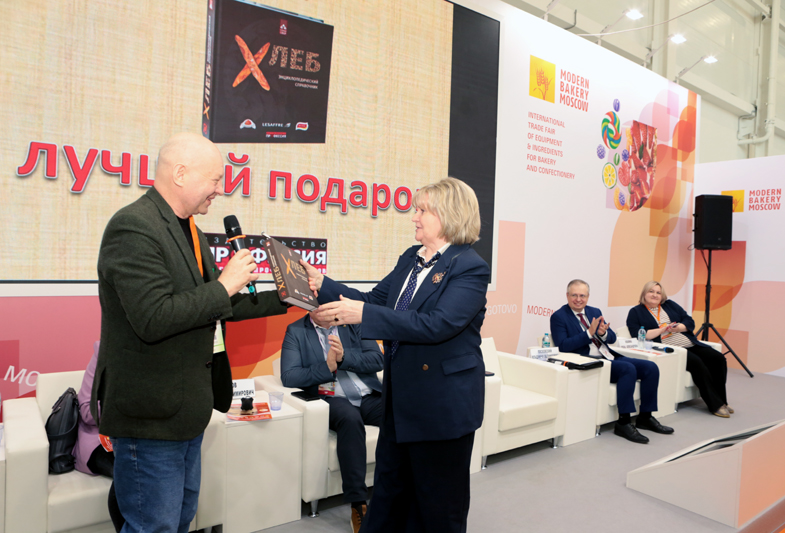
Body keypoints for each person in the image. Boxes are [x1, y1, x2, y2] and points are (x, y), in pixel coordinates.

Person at [91, 132, 288, 533]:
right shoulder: (133, 227)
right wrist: (224, 285)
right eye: (215, 179)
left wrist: (290, 297)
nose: (220, 189)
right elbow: (153, 317)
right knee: (154, 526)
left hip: (187, 411)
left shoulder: (191, 231)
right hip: (150, 416)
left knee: (179, 520)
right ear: (180, 174)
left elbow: (221, 304)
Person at [301, 177, 489, 533]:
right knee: (388, 499)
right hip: (399, 404)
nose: (413, 217)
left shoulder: (469, 266)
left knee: (437, 509)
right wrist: (322, 283)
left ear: (448, 215)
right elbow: (373, 301)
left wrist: (363, 315)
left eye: (422, 210)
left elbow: (437, 324)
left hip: (441, 408)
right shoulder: (411, 258)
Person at [280, 308, 384, 532]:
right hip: (331, 397)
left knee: (402, 414)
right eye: (317, 305)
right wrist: (327, 367)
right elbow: (289, 376)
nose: (324, 309)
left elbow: (378, 359)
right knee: (350, 419)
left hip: (367, 394)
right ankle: (358, 504)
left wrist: (344, 358)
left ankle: (405, 488)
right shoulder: (296, 331)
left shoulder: (355, 323)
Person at [550, 279, 674, 444]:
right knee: (627, 369)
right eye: (574, 295)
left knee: (650, 367)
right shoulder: (559, 316)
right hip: (589, 361)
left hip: (609, 355)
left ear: (588, 296)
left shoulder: (594, 311)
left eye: (582, 295)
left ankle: (645, 417)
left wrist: (603, 333)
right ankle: (623, 423)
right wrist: (589, 333)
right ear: (567, 295)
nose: (578, 299)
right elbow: (563, 345)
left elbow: (613, 338)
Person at [626, 281, 731, 417]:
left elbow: (689, 321)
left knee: (719, 358)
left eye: (658, 293)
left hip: (690, 344)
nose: (655, 295)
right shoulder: (635, 312)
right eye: (651, 291)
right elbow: (637, 334)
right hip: (672, 349)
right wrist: (662, 330)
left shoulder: (670, 305)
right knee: (698, 364)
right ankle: (715, 405)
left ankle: (722, 401)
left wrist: (679, 327)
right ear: (644, 294)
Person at [74, 341, 124, 532]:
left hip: (145, 436)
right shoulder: (104, 350)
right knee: (131, 473)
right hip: (99, 439)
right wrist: (127, 405)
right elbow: (87, 410)